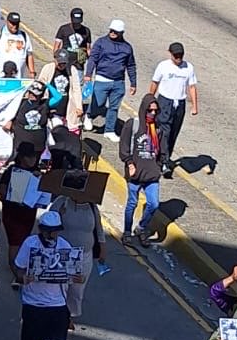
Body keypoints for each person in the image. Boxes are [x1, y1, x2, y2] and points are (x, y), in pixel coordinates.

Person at [13, 208, 81, 340]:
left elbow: (75, 274)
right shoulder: (30, 244)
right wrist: (23, 277)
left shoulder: (65, 247)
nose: (51, 234)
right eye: (48, 230)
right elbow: (18, 267)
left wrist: (77, 278)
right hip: (33, 305)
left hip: (57, 307)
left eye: (54, 230)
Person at [50, 168, 105, 325]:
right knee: (60, 286)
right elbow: (48, 222)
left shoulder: (92, 208)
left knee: (77, 289)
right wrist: (58, 214)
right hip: (62, 254)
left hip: (84, 256)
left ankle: (69, 316)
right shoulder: (61, 201)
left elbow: (99, 229)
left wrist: (102, 248)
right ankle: (58, 314)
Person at [118, 93, 169, 247]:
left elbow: (163, 151)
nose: (152, 114)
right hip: (135, 174)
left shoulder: (158, 130)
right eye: (149, 110)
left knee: (153, 204)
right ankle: (127, 232)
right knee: (132, 203)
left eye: (155, 111)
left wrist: (159, 166)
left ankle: (141, 228)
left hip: (151, 175)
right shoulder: (132, 125)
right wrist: (130, 164)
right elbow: (123, 148)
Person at [0, 141, 42, 286]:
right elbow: (1, 190)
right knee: (15, 242)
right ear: (21, 157)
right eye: (28, 157)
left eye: (33, 157)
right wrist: (12, 196)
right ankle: (17, 273)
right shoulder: (11, 171)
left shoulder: (36, 172)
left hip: (28, 213)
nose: (32, 160)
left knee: (23, 240)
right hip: (13, 213)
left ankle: (19, 269)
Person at [148, 41, 199, 167]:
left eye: (180, 55)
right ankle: (163, 161)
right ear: (170, 54)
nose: (178, 58)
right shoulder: (163, 66)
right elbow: (155, 83)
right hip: (165, 102)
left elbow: (192, 87)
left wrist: (194, 106)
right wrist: (150, 100)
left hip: (179, 104)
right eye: (176, 55)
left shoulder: (188, 67)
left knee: (173, 133)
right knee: (164, 131)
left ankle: (165, 157)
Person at [83, 19, 137, 139]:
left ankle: (109, 130)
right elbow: (93, 59)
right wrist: (88, 74)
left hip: (118, 82)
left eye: (115, 31)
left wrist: (133, 83)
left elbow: (131, 65)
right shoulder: (101, 43)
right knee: (99, 103)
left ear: (121, 33)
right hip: (102, 79)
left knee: (114, 107)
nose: (112, 32)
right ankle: (89, 116)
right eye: (111, 30)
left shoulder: (127, 48)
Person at [0, 10, 35, 78]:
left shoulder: (24, 36)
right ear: (7, 22)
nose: (15, 26)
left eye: (16, 24)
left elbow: (29, 55)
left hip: (18, 77)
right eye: (12, 23)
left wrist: (32, 72)